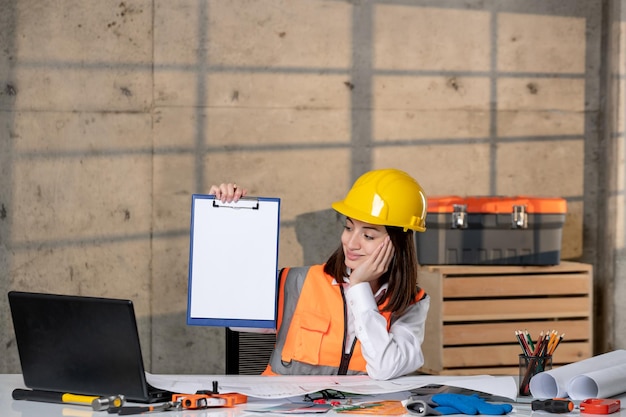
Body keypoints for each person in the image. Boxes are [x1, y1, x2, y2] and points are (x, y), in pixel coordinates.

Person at [209, 168, 430, 380]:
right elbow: (225, 309)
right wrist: (226, 219)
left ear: (397, 245)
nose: (351, 243)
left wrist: (359, 287)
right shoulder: (294, 283)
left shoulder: (411, 303)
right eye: (349, 227)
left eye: (368, 236)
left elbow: (385, 368)